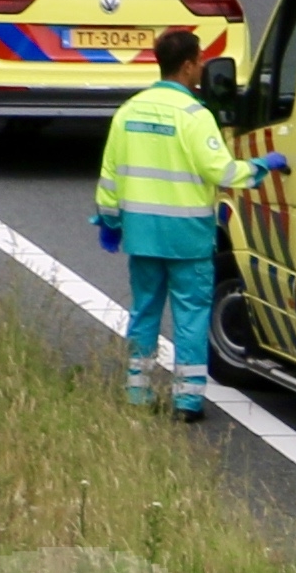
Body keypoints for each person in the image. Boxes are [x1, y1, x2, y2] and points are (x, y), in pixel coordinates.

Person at [91, 27, 282, 419]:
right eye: (199, 63)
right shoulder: (195, 117)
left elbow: (109, 178)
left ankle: (137, 392)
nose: (202, 70)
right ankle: (187, 401)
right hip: (187, 240)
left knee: (144, 312)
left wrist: (110, 222)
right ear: (188, 65)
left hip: (142, 236)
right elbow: (223, 172)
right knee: (191, 317)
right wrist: (263, 166)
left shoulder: (130, 111)